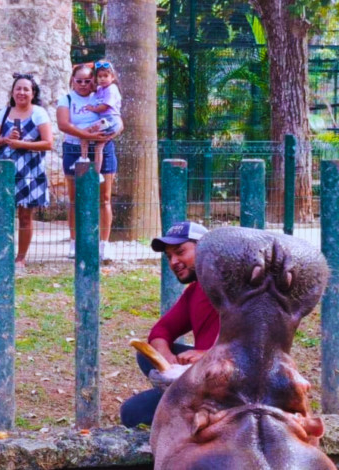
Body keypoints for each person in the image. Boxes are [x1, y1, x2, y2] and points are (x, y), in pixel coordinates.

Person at [119, 221, 220, 428]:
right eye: (169, 257)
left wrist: (209, 355)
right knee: (146, 354)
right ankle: (187, 401)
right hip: (202, 376)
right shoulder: (194, 291)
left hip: (233, 378)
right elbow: (161, 331)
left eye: (180, 252)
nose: (174, 262)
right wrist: (167, 360)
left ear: (206, 248)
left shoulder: (234, 284)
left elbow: (256, 342)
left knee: (131, 413)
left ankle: (201, 412)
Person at [56, 64, 120, 263]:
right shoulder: (66, 99)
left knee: (105, 198)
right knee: (75, 198)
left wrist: (105, 138)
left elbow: (118, 121)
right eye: (79, 80)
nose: (83, 84)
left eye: (87, 80)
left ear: (94, 80)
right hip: (74, 148)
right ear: (72, 81)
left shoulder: (103, 95)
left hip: (102, 147)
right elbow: (63, 124)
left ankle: (104, 245)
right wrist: (86, 135)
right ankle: (75, 243)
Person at [0, 73, 54, 270]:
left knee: (25, 216)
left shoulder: (39, 113)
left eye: (26, 89)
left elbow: (48, 143)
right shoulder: (4, 113)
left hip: (30, 171)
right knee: (3, 214)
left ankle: (21, 257)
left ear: (33, 93)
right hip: (6, 171)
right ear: (12, 91)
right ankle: (3, 253)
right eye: (18, 88)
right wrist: (6, 139)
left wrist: (22, 144)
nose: (22, 92)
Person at [81, 60, 123, 185]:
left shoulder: (111, 88)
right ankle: (97, 174)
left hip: (110, 119)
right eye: (100, 76)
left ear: (113, 77)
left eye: (106, 76)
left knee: (84, 135)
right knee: (98, 147)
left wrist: (91, 108)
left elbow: (104, 107)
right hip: (106, 120)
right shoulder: (100, 89)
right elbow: (93, 87)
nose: (102, 79)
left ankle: (83, 160)